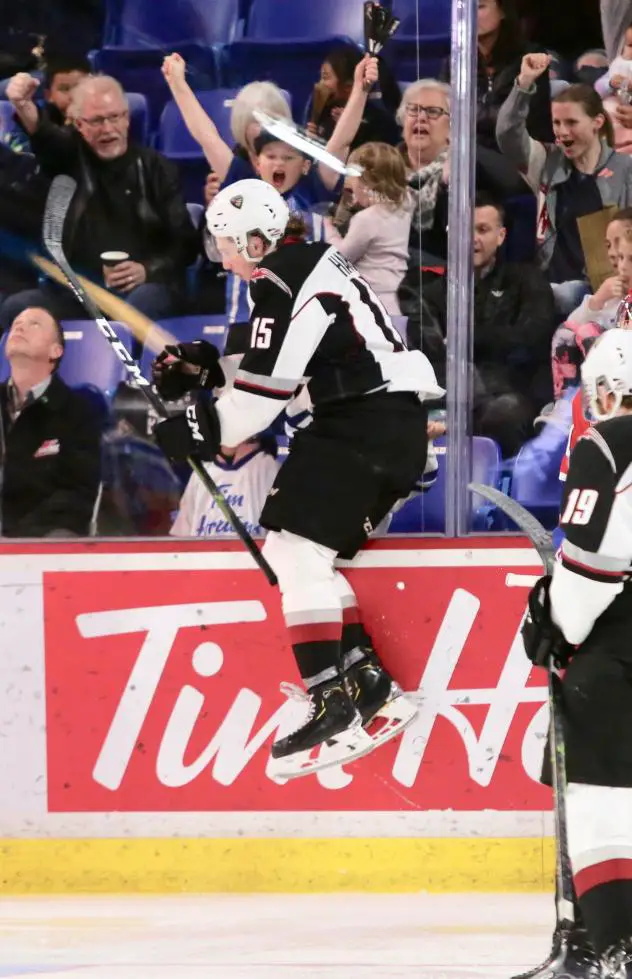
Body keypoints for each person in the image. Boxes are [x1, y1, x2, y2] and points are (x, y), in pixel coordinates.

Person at [151, 178, 443, 779]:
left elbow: (261, 401)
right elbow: (292, 354)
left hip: (362, 426)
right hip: (374, 424)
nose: (224, 258)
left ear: (257, 240)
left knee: (297, 552)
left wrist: (196, 428)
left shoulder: (282, 280)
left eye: (229, 244)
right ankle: (368, 686)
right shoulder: (300, 267)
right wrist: (207, 368)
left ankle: (328, 704)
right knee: (296, 553)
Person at [520, 327, 632, 979]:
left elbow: (588, 575)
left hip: (619, 639)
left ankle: (609, 943)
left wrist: (553, 621)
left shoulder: (610, 441)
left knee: (596, 790)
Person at [0, 74, 199, 330]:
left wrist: (146, 269)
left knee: (141, 304)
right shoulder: (69, 160)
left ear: (126, 118)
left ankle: (124, 370)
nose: (107, 129)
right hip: (81, 293)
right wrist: (23, 104)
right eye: (96, 121)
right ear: (79, 125)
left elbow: (185, 243)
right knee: (21, 306)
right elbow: (47, 139)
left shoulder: (157, 169)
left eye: (114, 117)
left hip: (145, 288)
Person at [408, 193, 556, 457]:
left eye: (483, 230)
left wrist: (468, 338)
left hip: (505, 392)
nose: (472, 238)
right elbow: (425, 349)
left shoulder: (526, 282)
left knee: (505, 413)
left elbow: (532, 339)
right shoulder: (430, 293)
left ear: (500, 236)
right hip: (445, 394)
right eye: (465, 229)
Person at [496, 57, 632, 317]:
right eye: (557, 123)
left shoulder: (626, 169)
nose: (561, 132)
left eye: (571, 123)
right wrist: (524, 83)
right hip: (549, 287)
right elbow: (506, 134)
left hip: (603, 291)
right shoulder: (547, 161)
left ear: (597, 122)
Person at [0, 306, 101, 536]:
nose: (20, 326)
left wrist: (14, 537)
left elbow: (76, 495)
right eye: (17, 322)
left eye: (34, 324)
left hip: (40, 541)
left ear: (55, 351)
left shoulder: (78, 411)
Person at [323, 141, 414, 315]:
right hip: (395, 304)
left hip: (371, 306)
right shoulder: (403, 211)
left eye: (353, 178)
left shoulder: (366, 219)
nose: (351, 185)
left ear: (367, 182)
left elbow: (341, 258)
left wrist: (328, 229)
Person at [307, 41, 401, 148]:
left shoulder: (380, 122)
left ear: (348, 86)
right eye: (320, 77)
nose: (320, 84)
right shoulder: (322, 111)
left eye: (326, 77)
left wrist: (351, 129)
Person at [7, 53, 91, 150]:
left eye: (80, 86)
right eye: (65, 89)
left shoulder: (105, 121)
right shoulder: (34, 119)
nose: (73, 95)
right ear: (48, 95)